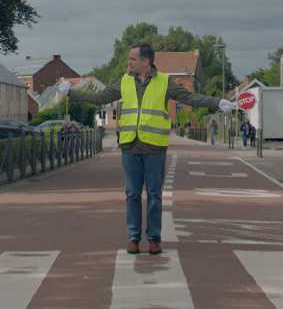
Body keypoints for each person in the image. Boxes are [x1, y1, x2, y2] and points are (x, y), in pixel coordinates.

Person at [60, 43, 235, 255]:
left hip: (154, 147)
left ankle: (154, 238)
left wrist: (217, 102)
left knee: (154, 194)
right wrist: (72, 93)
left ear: (146, 61)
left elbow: (190, 98)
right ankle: (133, 237)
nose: (129, 63)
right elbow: (100, 97)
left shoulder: (165, 82)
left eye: (132, 59)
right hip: (130, 146)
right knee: (132, 194)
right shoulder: (124, 81)